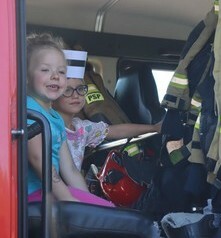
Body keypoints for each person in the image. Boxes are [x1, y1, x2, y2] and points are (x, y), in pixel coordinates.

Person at [26, 32, 114, 207]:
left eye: (61, 71)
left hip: (49, 191)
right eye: (45, 70)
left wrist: (89, 204)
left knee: (106, 210)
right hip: (30, 195)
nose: (55, 76)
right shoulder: (28, 111)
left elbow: (71, 170)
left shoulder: (55, 118)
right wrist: (68, 198)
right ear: (26, 76)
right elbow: (38, 159)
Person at [52, 49, 162, 173]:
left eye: (80, 89)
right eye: (67, 90)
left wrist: (153, 128)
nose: (76, 95)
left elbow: (116, 130)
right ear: (53, 95)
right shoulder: (49, 127)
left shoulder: (81, 128)